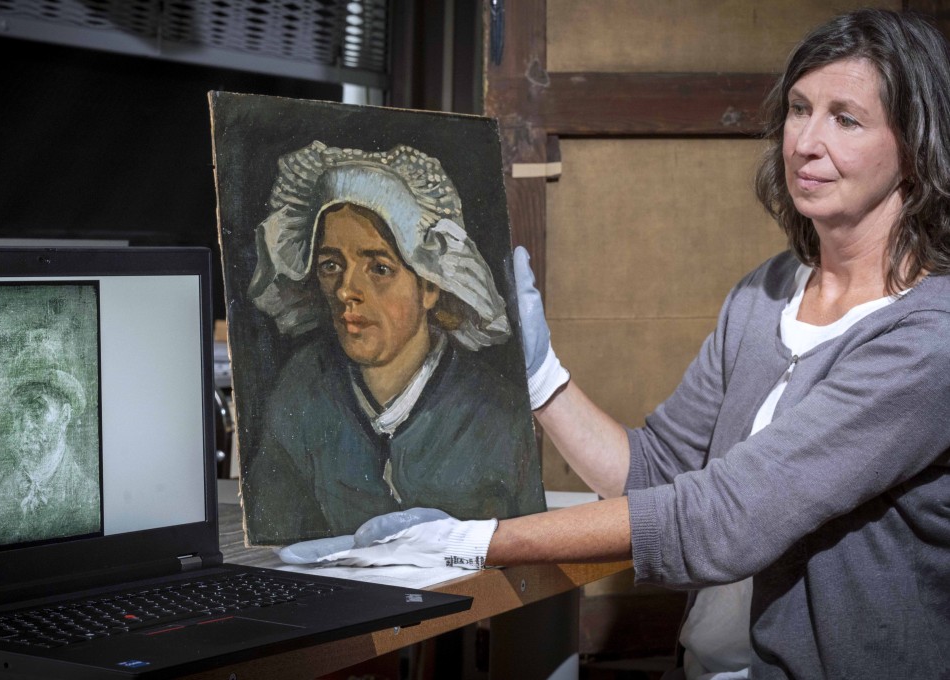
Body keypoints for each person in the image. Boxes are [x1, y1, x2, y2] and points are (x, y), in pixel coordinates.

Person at [279, 9, 950, 678]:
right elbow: (659, 472)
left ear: (915, 150)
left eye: (846, 119)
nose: (806, 141)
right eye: (800, 109)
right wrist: (540, 377)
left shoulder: (930, 339)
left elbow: (728, 516)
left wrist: (476, 543)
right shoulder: (765, 294)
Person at [241, 141, 546, 544]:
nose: (347, 290)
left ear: (430, 285)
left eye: (379, 268)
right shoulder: (298, 394)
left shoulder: (497, 415)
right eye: (331, 265)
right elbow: (278, 537)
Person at [0, 323, 102, 552]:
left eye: (37, 408)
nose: (24, 423)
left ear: (65, 416)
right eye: (17, 411)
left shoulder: (90, 499)